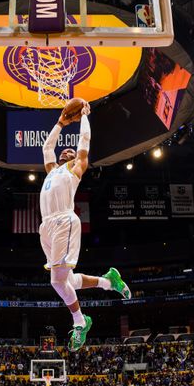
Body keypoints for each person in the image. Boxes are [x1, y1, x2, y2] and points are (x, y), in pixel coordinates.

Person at [39, 101, 131, 351]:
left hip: (64, 221)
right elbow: (48, 146)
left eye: (70, 150)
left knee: (56, 282)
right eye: (64, 150)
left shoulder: (75, 169)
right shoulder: (51, 171)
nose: (66, 150)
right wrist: (60, 122)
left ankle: (80, 322)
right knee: (67, 279)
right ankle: (109, 282)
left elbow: (84, 142)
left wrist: (84, 117)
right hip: (46, 226)